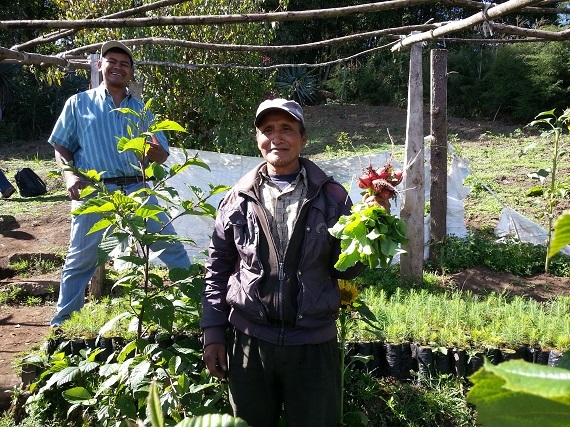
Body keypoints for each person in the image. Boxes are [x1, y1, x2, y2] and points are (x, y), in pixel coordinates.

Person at [201, 98, 382, 427]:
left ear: (303, 138)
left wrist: (367, 233)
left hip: (312, 345)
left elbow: (345, 270)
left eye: (286, 129)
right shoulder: (237, 199)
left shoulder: (332, 197)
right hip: (250, 342)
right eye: (267, 130)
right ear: (257, 139)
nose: (277, 138)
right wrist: (213, 331)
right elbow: (218, 268)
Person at [48, 40, 190, 327]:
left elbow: (161, 155)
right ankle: (62, 326)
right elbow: (61, 146)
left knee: (169, 245)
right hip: (94, 190)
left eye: (125, 64)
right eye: (112, 61)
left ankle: (195, 309)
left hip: (138, 188)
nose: (118, 67)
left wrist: (155, 151)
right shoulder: (78, 104)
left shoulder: (141, 111)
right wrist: (70, 174)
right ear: (100, 66)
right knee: (81, 258)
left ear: (131, 73)